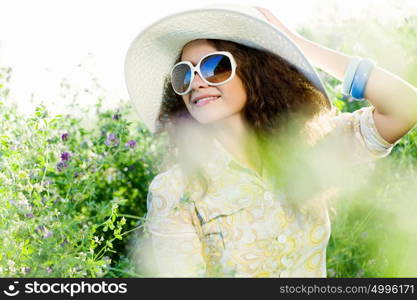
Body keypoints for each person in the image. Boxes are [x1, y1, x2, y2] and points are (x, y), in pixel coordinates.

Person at [124, 4, 417, 277]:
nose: (198, 82)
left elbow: (405, 108)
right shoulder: (175, 190)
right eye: (184, 75)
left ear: (253, 72)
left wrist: (298, 47)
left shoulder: (308, 149)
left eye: (215, 67)